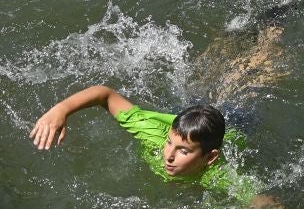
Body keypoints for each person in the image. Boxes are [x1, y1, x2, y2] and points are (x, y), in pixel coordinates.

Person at [29, 86, 265, 203]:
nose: (168, 156)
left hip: (236, 121)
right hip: (191, 116)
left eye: (183, 151)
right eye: (169, 144)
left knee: (254, 81)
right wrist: (60, 110)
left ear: (210, 158)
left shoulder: (221, 175)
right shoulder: (152, 134)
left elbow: (262, 202)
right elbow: (105, 94)